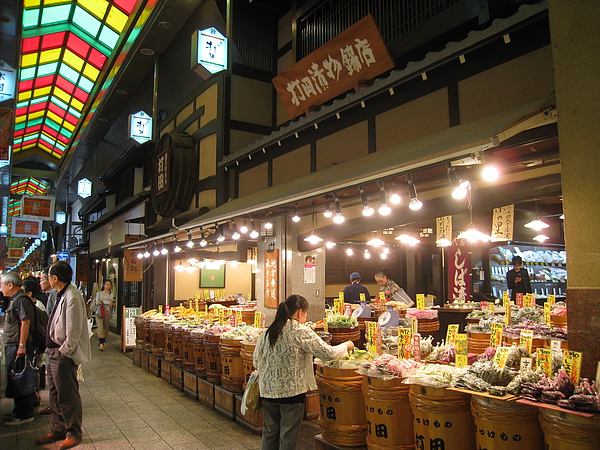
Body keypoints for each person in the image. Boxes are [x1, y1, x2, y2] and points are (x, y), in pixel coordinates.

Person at [253, 294, 354, 450]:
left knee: (270, 433)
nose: (305, 318)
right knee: (288, 436)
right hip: (291, 393)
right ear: (300, 312)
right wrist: (346, 346)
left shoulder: (268, 331)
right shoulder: (300, 331)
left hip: (267, 392)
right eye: (306, 314)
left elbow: (256, 361)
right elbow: (328, 354)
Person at [35, 262, 91, 450]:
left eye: (48, 276)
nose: (47, 279)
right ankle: (58, 428)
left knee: (67, 394)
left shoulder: (72, 296)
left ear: (55, 278)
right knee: (55, 393)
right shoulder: (61, 293)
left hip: (62, 354)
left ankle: (73, 431)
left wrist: (64, 351)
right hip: (53, 351)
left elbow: (73, 331)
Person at [2, 272, 37, 425]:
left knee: (21, 379)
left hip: (18, 346)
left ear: (10, 285)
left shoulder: (21, 300)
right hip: (14, 345)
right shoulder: (15, 299)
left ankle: (25, 413)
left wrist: (21, 346)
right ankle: (18, 410)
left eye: (2, 285)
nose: (1, 288)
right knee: (16, 377)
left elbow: (25, 322)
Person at [92, 279, 114, 351]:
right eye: (106, 284)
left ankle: (103, 340)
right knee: (100, 327)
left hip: (107, 312)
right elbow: (97, 302)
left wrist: (103, 301)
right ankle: (101, 343)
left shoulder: (111, 293)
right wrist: (102, 302)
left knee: (106, 327)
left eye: (109, 284)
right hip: (99, 312)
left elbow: (110, 303)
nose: (108, 286)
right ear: (104, 285)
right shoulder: (99, 293)